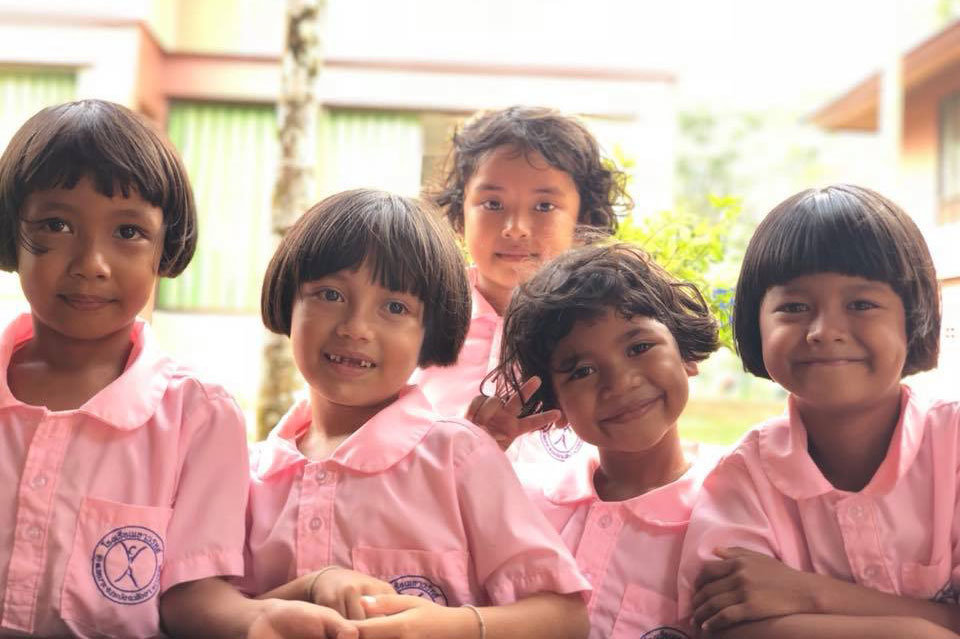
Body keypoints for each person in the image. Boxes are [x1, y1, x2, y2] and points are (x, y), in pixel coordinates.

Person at [0, 100, 351, 639]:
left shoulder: (200, 417)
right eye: (56, 223)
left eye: (128, 232)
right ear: (10, 233)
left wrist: (260, 621)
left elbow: (191, 595)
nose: (91, 263)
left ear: (167, 247)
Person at [242, 188, 591, 639]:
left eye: (394, 307)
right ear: (288, 303)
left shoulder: (458, 456)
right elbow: (211, 610)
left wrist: (450, 627)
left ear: (431, 333)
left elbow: (564, 617)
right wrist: (311, 589)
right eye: (329, 294)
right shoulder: (248, 475)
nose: (355, 328)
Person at [677, 184, 960, 639]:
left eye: (862, 304)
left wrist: (809, 594)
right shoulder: (744, 478)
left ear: (914, 317)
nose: (824, 331)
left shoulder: (953, 445)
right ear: (756, 323)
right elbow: (729, 627)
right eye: (794, 307)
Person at [483, 243, 719, 638]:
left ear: (686, 353)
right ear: (554, 400)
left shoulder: (733, 511)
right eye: (582, 371)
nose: (620, 383)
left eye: (639, 347)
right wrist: (474, 459)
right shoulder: (523, 504)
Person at [412, 105, 630, 468]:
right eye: (492, 203)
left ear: (583, 219)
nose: (515, 227)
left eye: (544, 205)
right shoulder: (416, 317)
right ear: (459, 213)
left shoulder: (608, 327)